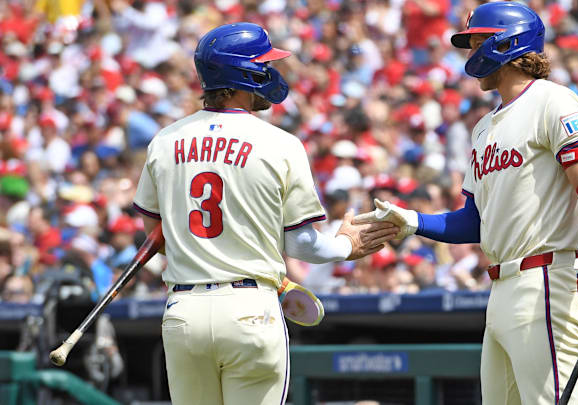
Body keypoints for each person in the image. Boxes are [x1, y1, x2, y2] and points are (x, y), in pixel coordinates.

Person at [355, 2, 578, 404]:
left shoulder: (553, 101)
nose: (470, 50)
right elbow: (472, 223)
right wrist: (411, 220)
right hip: (499, 288)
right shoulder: (484, 125)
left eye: (477, 40)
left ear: (506, 43)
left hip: (546, 278)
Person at [132, 23, 398, 405]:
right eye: (264, 64)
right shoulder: (280, 143)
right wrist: (344, 245)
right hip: (249, 309)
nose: (270, 71)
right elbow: (301, 243)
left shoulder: (165, 139)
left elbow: (155, 234)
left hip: (183, 311)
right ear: (246, 74)